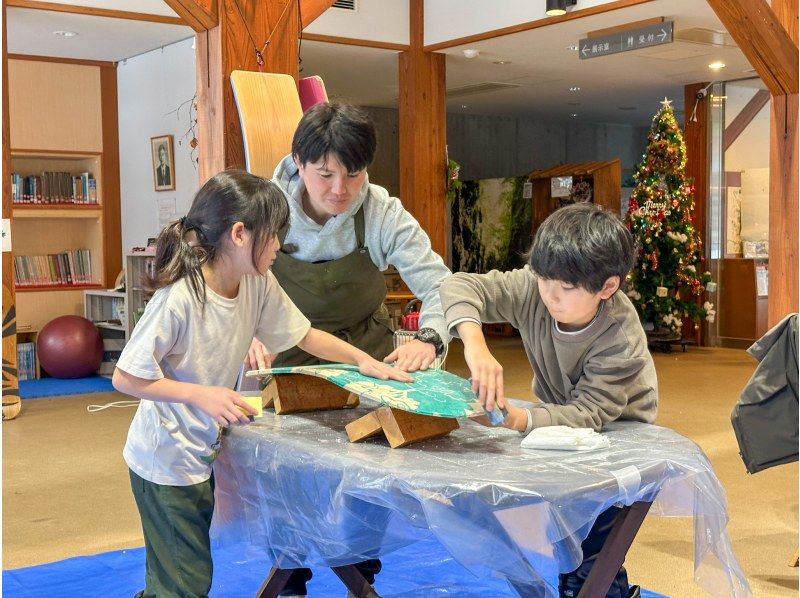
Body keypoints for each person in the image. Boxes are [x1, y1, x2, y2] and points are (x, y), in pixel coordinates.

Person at [112, 170, 410, 598]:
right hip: (163, 460)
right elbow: (128, 375)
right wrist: (203, 395)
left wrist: (365, 361)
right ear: (239, 234)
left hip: (197, 450)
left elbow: (303, 334)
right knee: (184, 584)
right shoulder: (181, 297)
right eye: (274, 237)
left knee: (179, 576)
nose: (280, 248)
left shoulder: (256, 282)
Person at [246, 103, 452, 598]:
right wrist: (245, 330)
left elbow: (444, 286)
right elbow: (230, 281)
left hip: (367, 356)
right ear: (299, 161)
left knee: (371, 467)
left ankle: (361, 574)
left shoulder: (382, 212)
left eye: (353, 174)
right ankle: (289, 578)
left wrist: (431, 336)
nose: (340, 190)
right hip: (285, 355)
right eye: (325, 175)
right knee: (286, 470)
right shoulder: (264, 208)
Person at [440, 202, 657, 598]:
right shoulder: (536, 287)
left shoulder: (619, 339)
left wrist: (519, 419)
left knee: (593, 547)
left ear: (608, 287)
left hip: (618, 435)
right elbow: (459, 285)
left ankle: (598, 588)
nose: (550, 296)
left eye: (567, 288)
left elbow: (592, 412)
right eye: (543, 279)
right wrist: (475, 344)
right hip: (556, 422)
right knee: (567, 533)